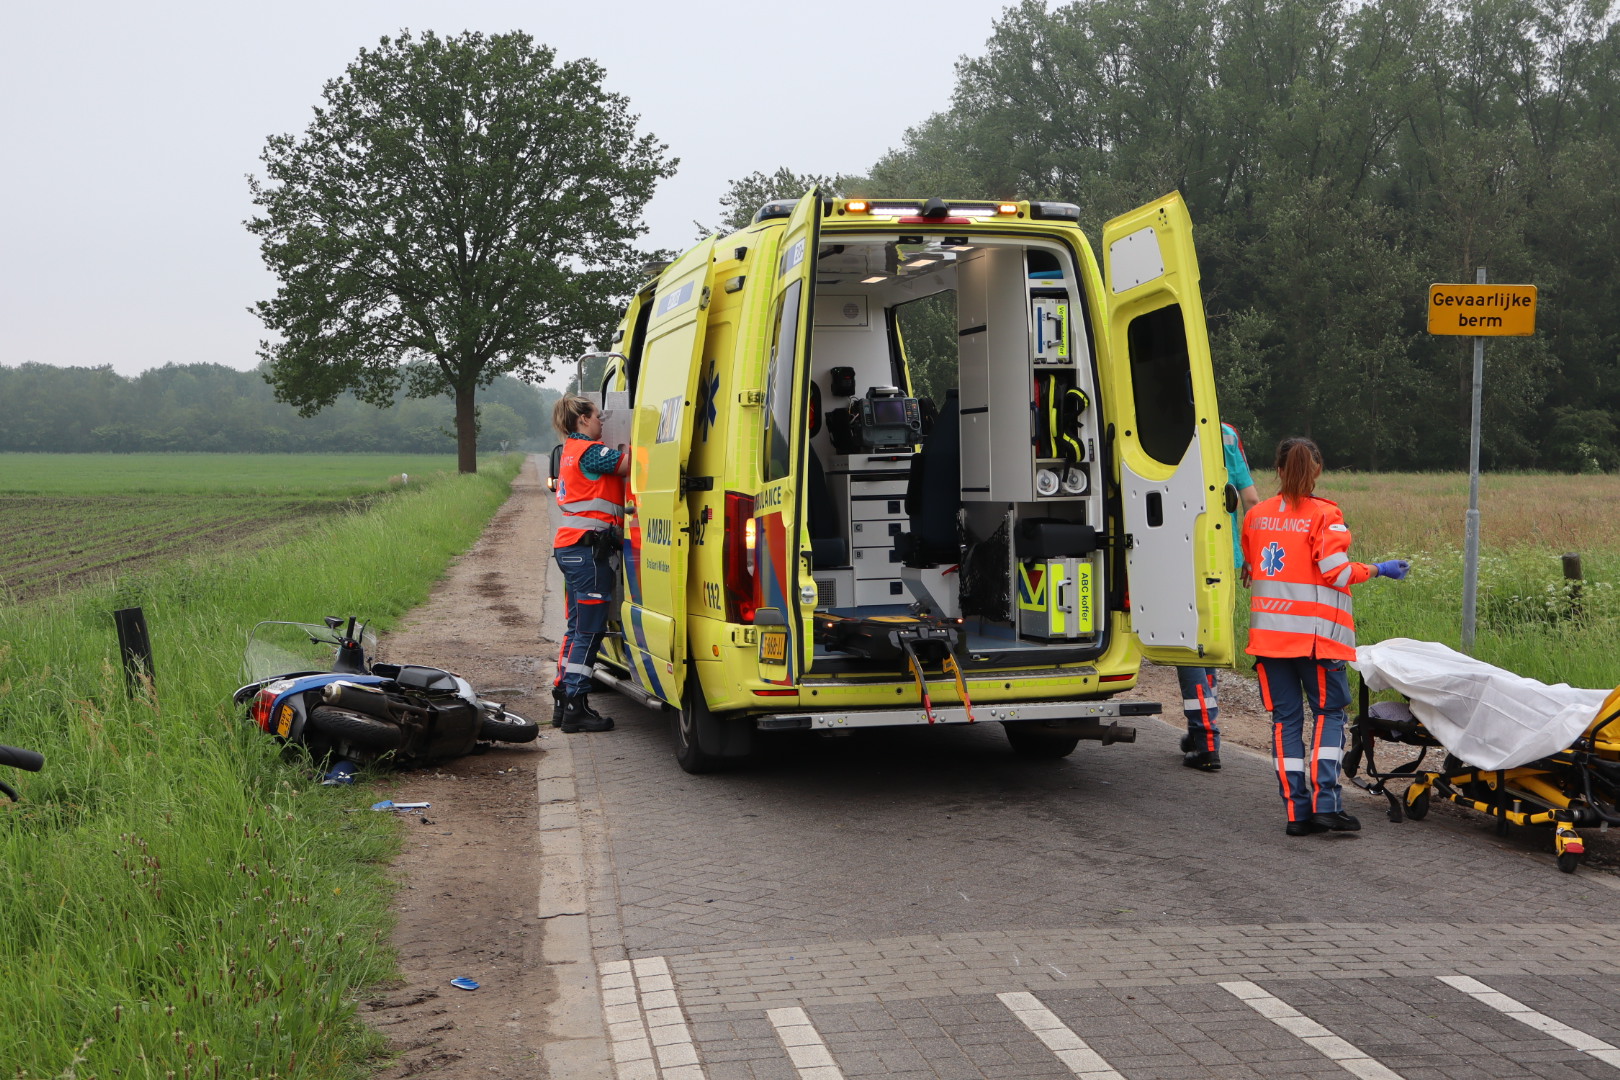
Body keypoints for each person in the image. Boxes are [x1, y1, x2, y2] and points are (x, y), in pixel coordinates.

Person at [1242, 436, 1409, 836]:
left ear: (1278, 469)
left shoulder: (1256, 516)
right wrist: (1380, 569)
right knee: (1329, 715)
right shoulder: (1325, 515)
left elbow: (1253, 566)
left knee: (1285, 721)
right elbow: (1337, 572)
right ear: (1317, 469)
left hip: (1269, 640)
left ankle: (1297, 814)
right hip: (1315, 641)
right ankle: (1327, 806)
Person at [1178, 421, 1261, 772]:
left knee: (1187, 645)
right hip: (1224, 555)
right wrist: (1251, 553)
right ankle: (1200, 729)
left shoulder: (1166, 423)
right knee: (1210, 640)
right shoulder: (1226, 432)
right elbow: (1251, 499)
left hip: (1182, 551)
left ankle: (1205, 737)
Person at [550, 394, 629, 734]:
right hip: (587, 553)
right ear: (583, 419)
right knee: (589, 630)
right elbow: (630, 466)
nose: (601, 423)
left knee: (576, 628)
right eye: (598, 416)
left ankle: (563, 695)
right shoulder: (591, 451)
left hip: (571, 548)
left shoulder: (569, 451)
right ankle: (575, 706)